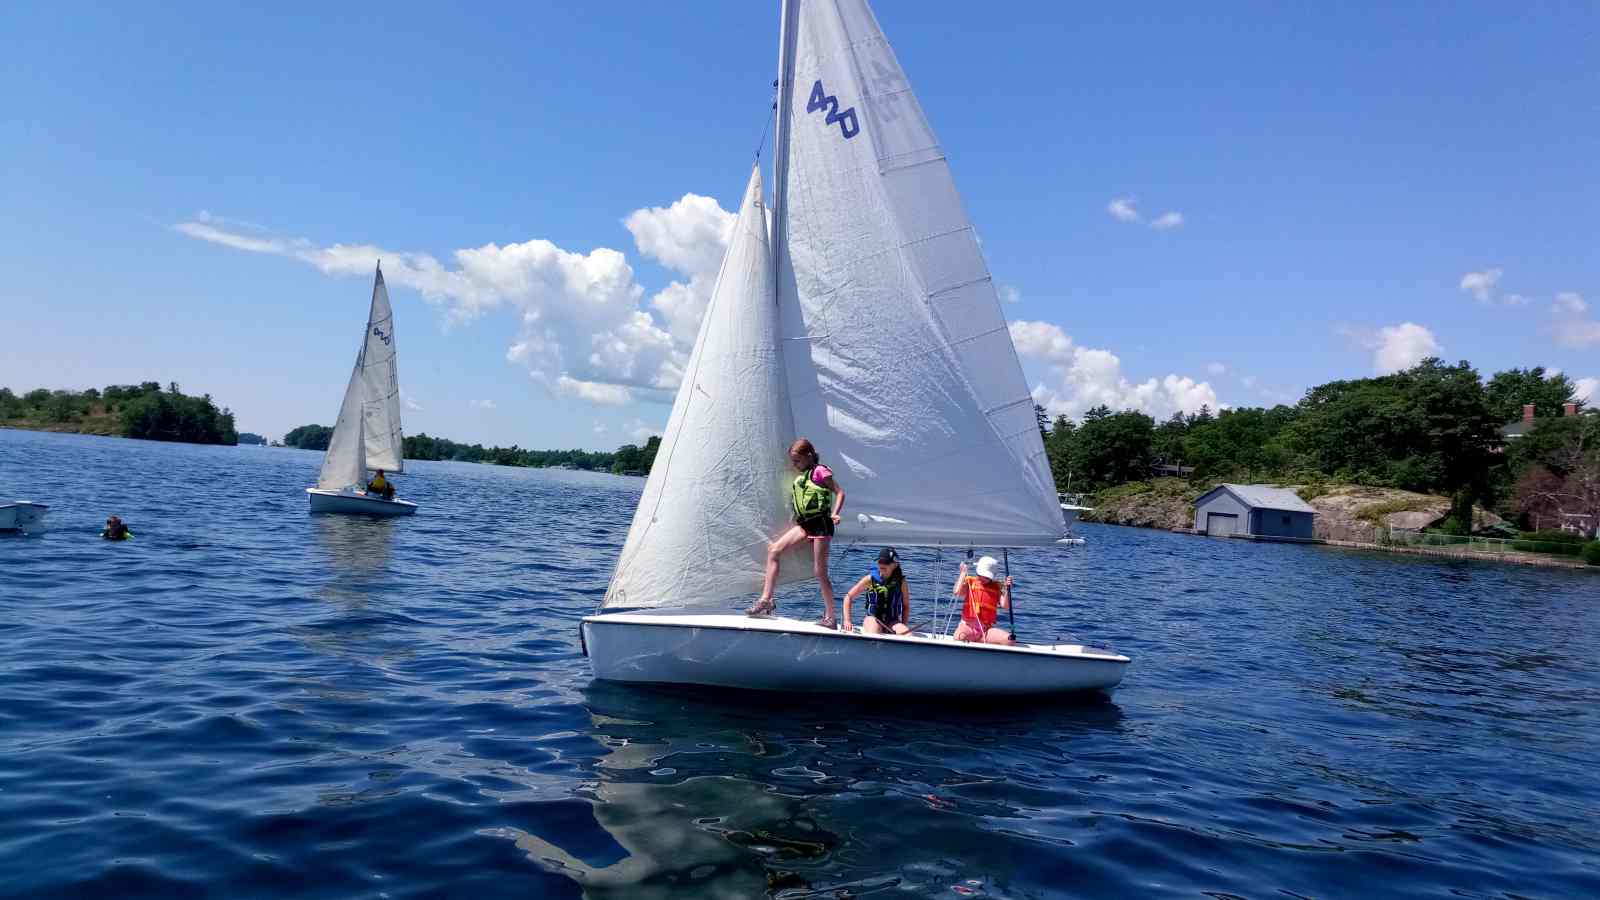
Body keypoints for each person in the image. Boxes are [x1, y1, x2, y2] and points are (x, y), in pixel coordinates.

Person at [747, 438, 846, 628]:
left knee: (820, 572)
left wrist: (835, 514)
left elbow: (840, 492)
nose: (794, 465)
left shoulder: (820, 471)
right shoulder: (802, 476)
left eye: (797, 461)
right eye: (793, 461)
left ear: (809, 456)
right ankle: (766, 600)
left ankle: (831, 617)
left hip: (821, 525)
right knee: (774, 550)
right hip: (805, 525)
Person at [842, 547, 911, 635]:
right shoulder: (870, 579)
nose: (882, 565)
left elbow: (906, 606)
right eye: (880, 562)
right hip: (872, 618)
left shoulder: (901, 582)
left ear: (895, 565)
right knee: (875, 629)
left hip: (892, 621)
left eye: (886, 562)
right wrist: (847, 621)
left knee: (907, 634)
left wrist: (903, 625)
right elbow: (848, 597)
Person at [952, 556, 1015, 644]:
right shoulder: (970, 582)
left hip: (986, 631)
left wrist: (1007, 589)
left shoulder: (998, 587)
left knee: (1009, 640)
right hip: (968, 627)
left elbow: (1005, 605)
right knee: (959, 637)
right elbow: (957, 592)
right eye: (981, 575)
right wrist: (963, 573)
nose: (983, 579)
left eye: (987, 577)